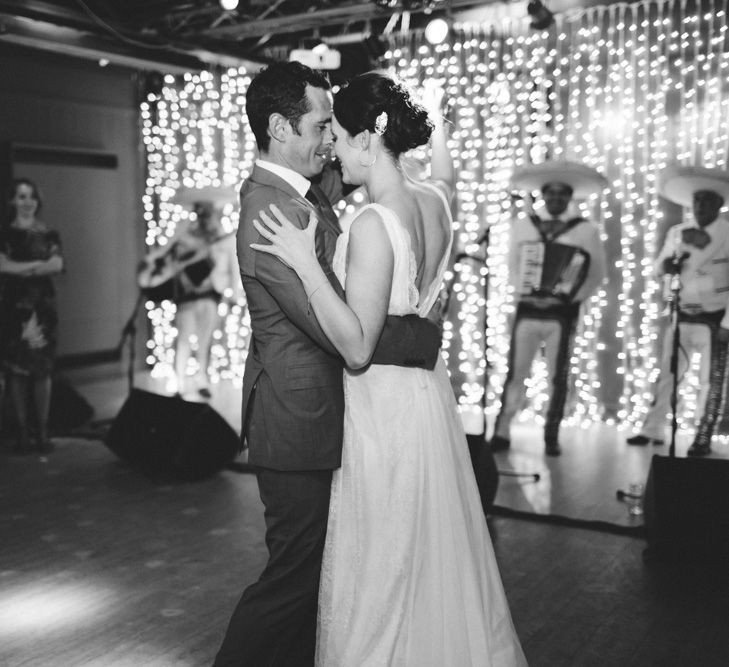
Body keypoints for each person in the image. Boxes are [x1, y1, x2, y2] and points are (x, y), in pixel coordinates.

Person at [250, 72, 527, 666]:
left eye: (338, 135)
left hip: (380, 408)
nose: (331, 149)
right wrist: (443, 127)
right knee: (426, 552)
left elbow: (355, 346)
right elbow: (442, 178)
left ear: (368, 140)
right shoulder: (436, 201)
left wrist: (305, 261)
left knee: (384, 557)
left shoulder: (373, 222)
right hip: (426, 401)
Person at [213, 62, 442, 667]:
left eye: (336, 131)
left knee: (312, 577)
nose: (329, 142)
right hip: (296, 420)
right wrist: (416, 337)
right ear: (280, 127)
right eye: (321, 126)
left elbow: (365, 175)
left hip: (323, 416)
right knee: (292, 579)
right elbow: (341, 334)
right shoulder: (273, 210)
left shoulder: (301, 190)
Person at [490, 161, 608, 456]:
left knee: (558, 375)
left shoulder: (585, 231)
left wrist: (571, 297)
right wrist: (523, 290)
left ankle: (551, 434)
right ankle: (502, 431)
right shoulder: (524, 225)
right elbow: (513, 264)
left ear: (570, 198)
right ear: (543, 195)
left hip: (561, 313)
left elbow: (595, 273)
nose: (555, 200)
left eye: (562, 195)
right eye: (550, 194)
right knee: (516, 372)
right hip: (528, 309)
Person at [627, 165, 729, 457]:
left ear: (718, 205)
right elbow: (659, 266)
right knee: (669, 374)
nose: (701, 207)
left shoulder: (727, 233)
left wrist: (727, 323)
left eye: (707, 201)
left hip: (714, 318)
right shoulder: (678, 232)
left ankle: (703, 434)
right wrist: (666, 268)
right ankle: (653, 429)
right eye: (697, 201)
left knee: (712, 381)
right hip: (681, 313)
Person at [138, 186, 241, 399]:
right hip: (186, 294)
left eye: (208, 211)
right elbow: (164, 253)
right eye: (201, 211)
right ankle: (179, 382)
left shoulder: (225, 239)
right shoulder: (185, 234)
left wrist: (234, 293)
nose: (205, 216)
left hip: (211, 294)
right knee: (183, 339)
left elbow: (233, 268)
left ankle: (201, 379)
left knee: (204, 341)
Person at [0, 177, 64, 454]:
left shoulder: (50, 234)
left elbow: (58, 265)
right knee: (16, 370)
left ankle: (43, 431)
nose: (27, 202)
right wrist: (39, 265)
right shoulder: (5, 234)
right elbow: (4, 266)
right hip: (15, 306)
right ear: (13, 201)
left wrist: (23, 267)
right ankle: (23, 433)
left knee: (42, 369)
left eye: (32, 197)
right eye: (22, 196)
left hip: (43, 308)